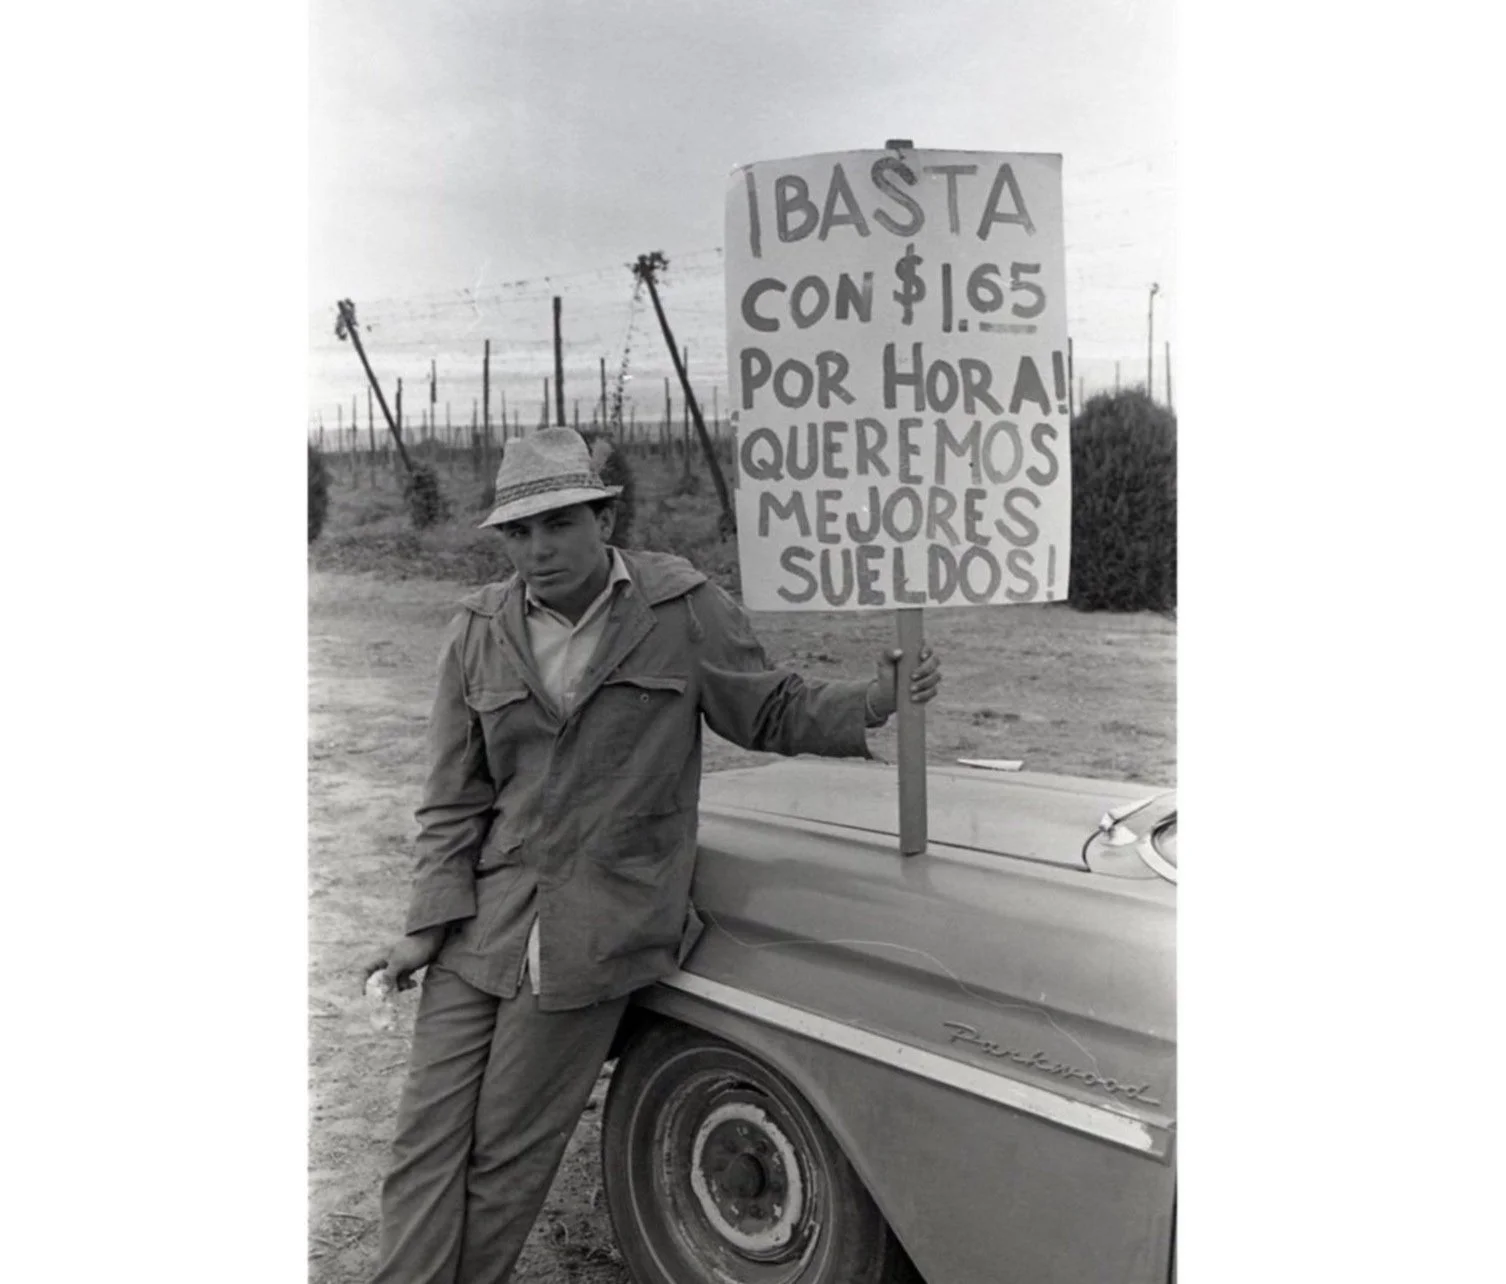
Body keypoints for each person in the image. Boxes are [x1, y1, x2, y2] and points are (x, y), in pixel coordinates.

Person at [362, 426, 941, 1284]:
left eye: (558, 524)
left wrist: (872, 699)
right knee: (424, 1145)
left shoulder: (680, 608)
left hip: (597, 931)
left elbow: (767, 708)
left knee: (507, 1155)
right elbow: (454, 798)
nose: (537, 549)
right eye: (517, 533)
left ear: (604, 516)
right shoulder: (478, 628)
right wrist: (423, 929)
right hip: (479, 924)